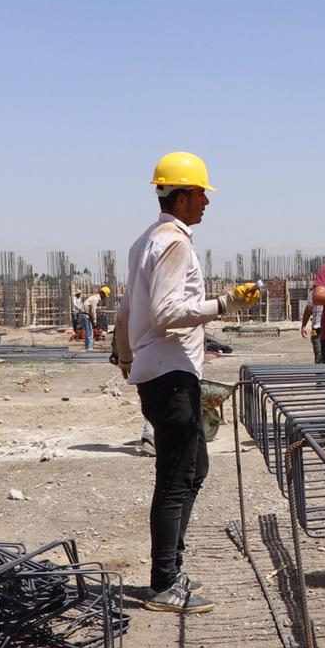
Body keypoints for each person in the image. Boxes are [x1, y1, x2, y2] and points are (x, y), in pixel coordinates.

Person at [114, 151, 261, 613]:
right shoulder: (175, 242)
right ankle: (163, 582)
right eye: (201, 194)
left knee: (193, 470)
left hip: (163, 371)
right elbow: (164, 312)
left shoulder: (145, 242)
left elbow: (127, 310)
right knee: (177, 478)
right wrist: (225, 304)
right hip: (171, 373)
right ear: (181, 197)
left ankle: (171, 571)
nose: (206, 203)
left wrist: (124, 354)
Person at [299, 289, 324, 363]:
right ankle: (320, 373)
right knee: (319, 357)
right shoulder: (314, 292)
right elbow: (309, 309)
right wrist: (303, 325)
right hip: (317, 329)